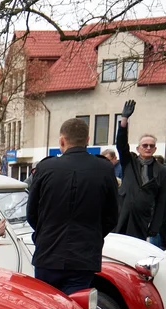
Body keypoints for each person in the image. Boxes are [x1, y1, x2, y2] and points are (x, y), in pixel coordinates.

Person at [27, 118, 117, 293]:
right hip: (84, 255)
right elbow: (111, 216)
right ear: (88, 140)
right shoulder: (104, 169)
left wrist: (44, 234)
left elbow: (32, 213)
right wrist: (92, 235)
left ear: (62, 140)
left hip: (49, 253)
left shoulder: (46, 168)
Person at [113, 100, 166, 242]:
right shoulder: (129, 161)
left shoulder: (162, 171)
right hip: (122, 214)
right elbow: (121, 143)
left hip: (142, 218)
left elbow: (161, 201)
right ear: (138, 148)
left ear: (155, 149)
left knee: (136, 251)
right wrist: (124, 120)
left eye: (151, 146)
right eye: (144, 145)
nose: (148, 148)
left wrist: (155, 225)